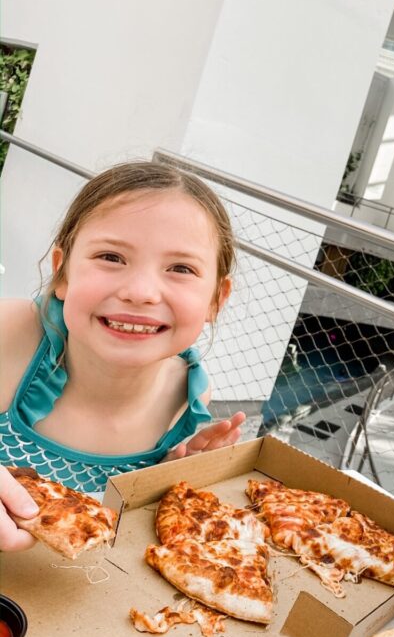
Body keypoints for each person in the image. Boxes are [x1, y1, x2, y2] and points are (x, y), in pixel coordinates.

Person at [0, 161, 246, 550]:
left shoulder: (187, 398)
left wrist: (166, 481)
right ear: (63, 274)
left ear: (216, 299)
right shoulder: (10, 334)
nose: (140, 292)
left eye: (180, 268)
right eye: (111, 257)